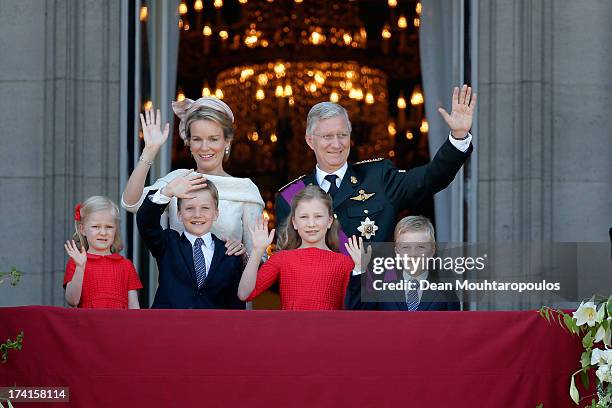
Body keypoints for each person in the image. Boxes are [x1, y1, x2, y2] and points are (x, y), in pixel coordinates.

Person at [275, 85, 476, 249]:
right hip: (320, 297)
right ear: (310, 141)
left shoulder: (378, 177)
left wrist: (458, 138)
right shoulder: (291, 196)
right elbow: (285, 262)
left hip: (373, 294)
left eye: (342, 135)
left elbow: (430, 178)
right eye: (327, 136)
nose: (336, 144)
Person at [122, 97, 264, 256]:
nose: (204, 147)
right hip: (180, 279)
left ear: (227, 141)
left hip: (230, 280)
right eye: (197, 139)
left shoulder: (245, 190)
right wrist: (149, 151)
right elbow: (130, 203)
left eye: (213, 139)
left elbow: (258, 257)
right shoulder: (177, 180)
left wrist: (243, 255)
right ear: (189, 143)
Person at [237, 185, 365, 310]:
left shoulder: (345, 262)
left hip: (329, 330)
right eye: (304, 217)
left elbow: (353, 310)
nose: (311, 224)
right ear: (294, 222)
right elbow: (244, 294)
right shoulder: (282, 258)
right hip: (292, 330)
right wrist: (257, 251)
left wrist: (360, 270)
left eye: (318, 216)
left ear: (330, 221)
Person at [137, 177, 245, 309]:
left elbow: (236, 306)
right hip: (168, 325)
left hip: (213, 327)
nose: (197, 214)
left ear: (216, 214)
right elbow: (146, 222)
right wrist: (167, 192)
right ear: (179, 214)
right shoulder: (168, 243)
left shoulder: (229, 253)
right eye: (189, 208)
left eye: (205, 208)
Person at [347, 215, 460, 311]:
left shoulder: (446, 292)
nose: (413, 254)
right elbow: (357, 317)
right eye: (405, 247)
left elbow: (454, 330)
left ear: (432, 250)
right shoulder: (381, 289)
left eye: (421, 246)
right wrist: (360, 268)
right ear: (397, 251)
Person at [63, 196, 142, 309]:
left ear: (116, 229)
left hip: (119, 325)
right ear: (82, 229)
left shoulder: (126, 265)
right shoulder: (77, 262)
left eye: (109, 227)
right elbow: (72, 300)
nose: (103, 232)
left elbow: (134, 306)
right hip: (89, 324)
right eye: (96, 226)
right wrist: (80, 267)